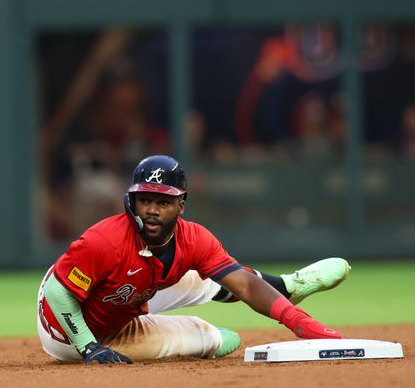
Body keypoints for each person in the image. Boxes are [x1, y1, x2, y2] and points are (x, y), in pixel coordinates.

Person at [37, 154, 349, 364]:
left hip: (135, 291)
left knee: (208, 276)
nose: (152, 210)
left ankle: (287, 286)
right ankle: (210, 337)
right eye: (144, 200)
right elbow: (57, 292)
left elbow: (243, 284)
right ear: (132, 200)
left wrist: (297, 321)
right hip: (70, 326)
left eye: (163, 201)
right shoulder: (103, 241)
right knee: (210, 339)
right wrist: (88, 346)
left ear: (181, 204)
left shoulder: (194, 239)